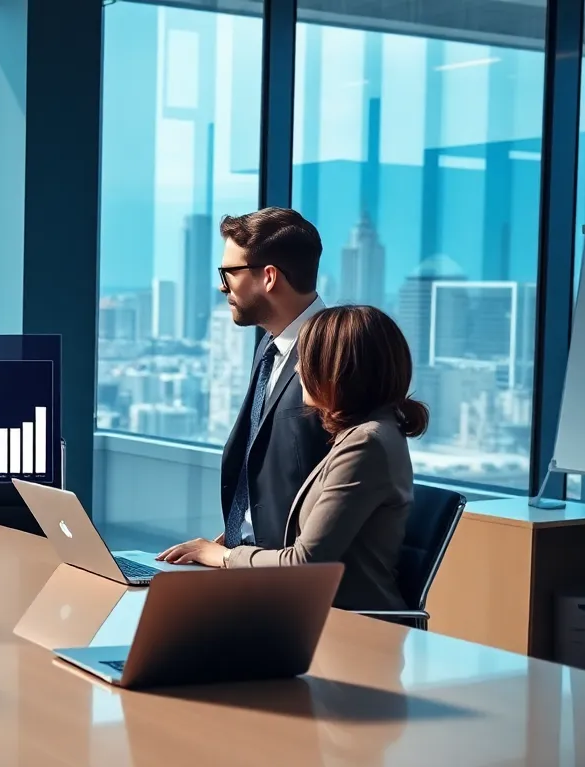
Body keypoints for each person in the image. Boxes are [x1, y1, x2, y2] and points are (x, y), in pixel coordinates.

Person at [158, 306, 426, 612]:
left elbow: (304, 562)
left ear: (339, 370)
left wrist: (223, 557)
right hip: (311, 616)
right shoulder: (367, 435)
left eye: (307, 361)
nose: (298, 371)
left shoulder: (366, 443)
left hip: (347, 630)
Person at [214, 207, 332, 551]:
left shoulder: (334, 354)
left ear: (268, 277)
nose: (223, 287)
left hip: (293, 576)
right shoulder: (269, 345)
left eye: (228, 273)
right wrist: (229, 546)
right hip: (248, 560)